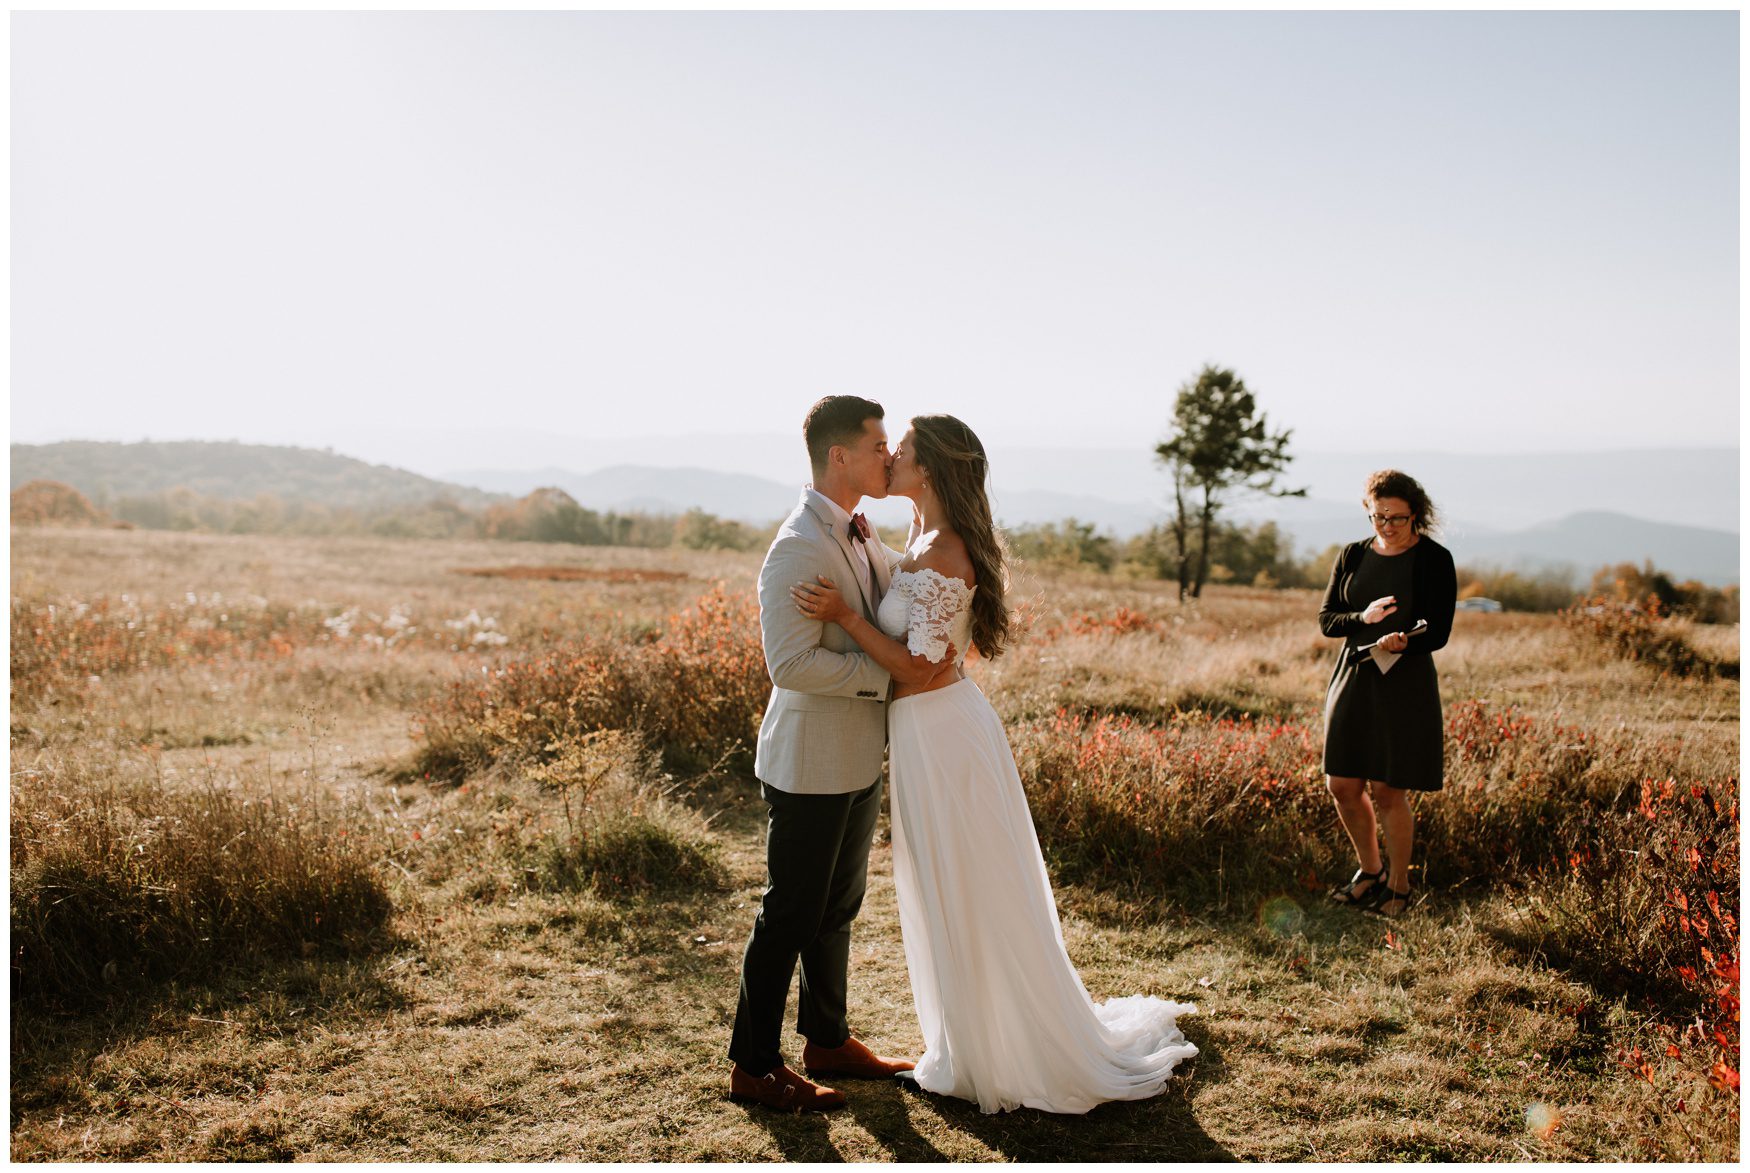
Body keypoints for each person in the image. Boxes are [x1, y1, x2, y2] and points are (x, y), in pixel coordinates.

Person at [793, 414, 1197, 1115]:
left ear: (933, 470)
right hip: (923, 737)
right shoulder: (918, 540)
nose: (889, 458)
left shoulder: (946, 551)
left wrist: (848, 618)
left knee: (970, 884)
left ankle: (1000, 1051)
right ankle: (964, 1040)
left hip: (945, 735)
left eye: (904, 450)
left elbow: (922, 668)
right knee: (943, 884)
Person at [728, 395, 935, 1114]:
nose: (889, 455)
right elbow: (790, 664)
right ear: (840, 455)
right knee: (790, 910)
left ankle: (827, 1038)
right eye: (880, 444)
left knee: (837, 907)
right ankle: (752, 1065)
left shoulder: (860, 531)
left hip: (855, 757)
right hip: (810, 759)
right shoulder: (798, 545)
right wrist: (884, 678)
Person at [1318, 469, 1457, 919]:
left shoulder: (1435, 559)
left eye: (1396, 517)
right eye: (1378, 516)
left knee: (1388, 787)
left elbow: (1439, 631)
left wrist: (1404, 640)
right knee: (1341, 783)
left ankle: (1399, 886)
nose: (1387, 525)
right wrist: (1363, 618)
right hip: (1354, 674)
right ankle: (1370, 871)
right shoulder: (1353, 555)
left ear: (1415, 514)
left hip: (1404, 679)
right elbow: (1328, 620)